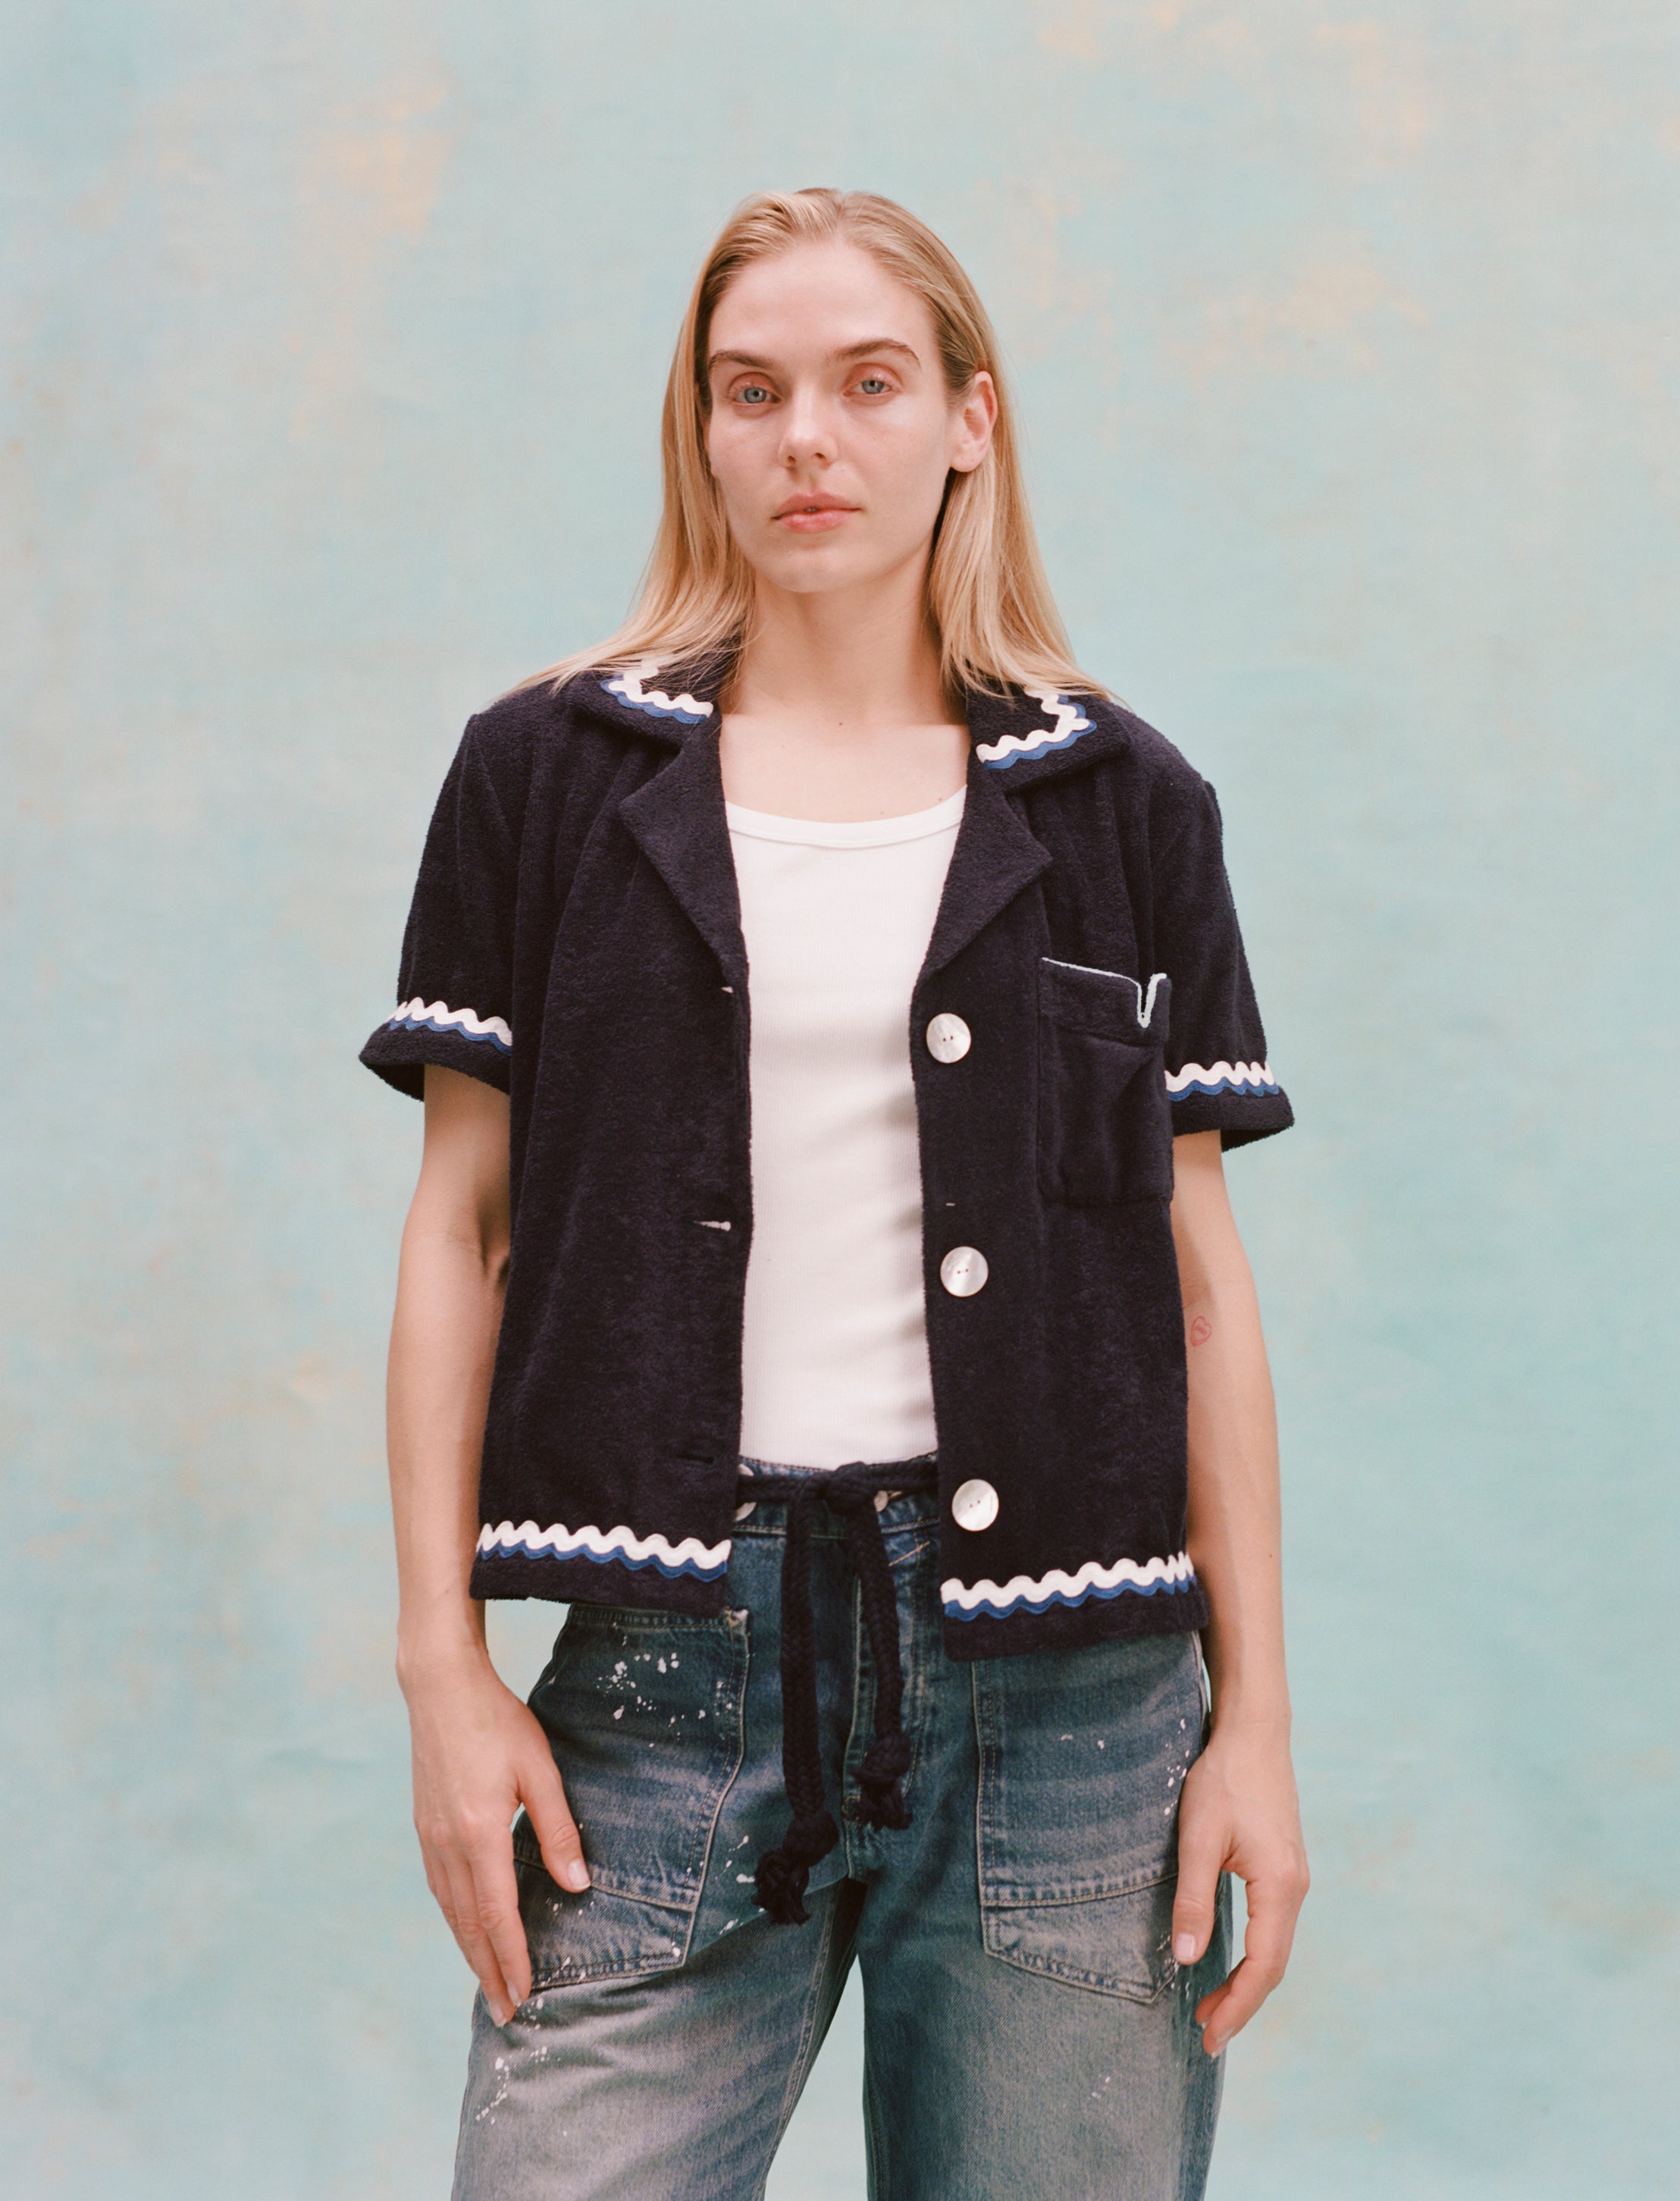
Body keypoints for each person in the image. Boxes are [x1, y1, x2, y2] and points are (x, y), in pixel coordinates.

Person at [360, 186, 1309, 2201]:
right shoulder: (546, 780)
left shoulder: (1124, 805)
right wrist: (445, 1673)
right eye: (753, 391)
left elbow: (1198, 1288)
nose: (809, 438)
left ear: (969, 420)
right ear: (699, 433)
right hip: (676, 1676)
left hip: (1081, 1715)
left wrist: (1259, 1733)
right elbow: (458, 1234)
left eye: (869, 385)